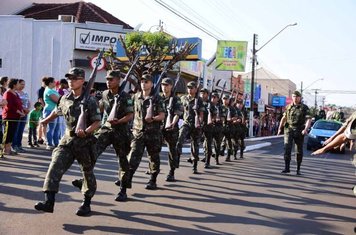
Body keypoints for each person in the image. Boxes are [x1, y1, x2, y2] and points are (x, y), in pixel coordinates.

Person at [34, 67, 101, 216]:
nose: (71, 81)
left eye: (74, 78)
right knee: (54, 166)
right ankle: (48, 202)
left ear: (82, 81)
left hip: (85, 143)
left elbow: (97, 122)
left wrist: (87, 131)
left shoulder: (90, 100)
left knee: (87, 173)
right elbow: (57, 111)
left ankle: (86, 203)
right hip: (67, 141)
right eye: (69, 78)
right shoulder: (65, 98)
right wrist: (44, 121)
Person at [71, 70, 134, 202]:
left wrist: (119, 121)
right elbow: (100, 109)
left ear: (118, 80)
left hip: (121, 131)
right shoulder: (104, 94)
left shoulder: (125, 96)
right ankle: (85, 179)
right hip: (106, 129)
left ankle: (123, 190)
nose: (108, 82)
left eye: (111, 79)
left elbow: (130, 115)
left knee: (123, 161)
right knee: (92, 152)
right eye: (107, 79)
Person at [126, 73, 165, 193]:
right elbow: (131, 113)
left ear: (152, 84)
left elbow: (162, 115)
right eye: (142, 81)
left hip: (153, 133)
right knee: (133, 156)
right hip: (138, 132)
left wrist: (153, 119)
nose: (143, 84)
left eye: (146, 82)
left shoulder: (157, 98)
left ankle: (153, 179)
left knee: (153, 157)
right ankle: (127, 179)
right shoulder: (136, 97)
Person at [277, 90, 311, 175]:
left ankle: (298, 169)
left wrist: (305, 129)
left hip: (299, 129)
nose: (295, 98)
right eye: (294, 97)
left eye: (297, 97)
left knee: (298, 150)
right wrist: (279, 128)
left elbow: (308, 119)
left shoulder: (304, 108)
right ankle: (286, 168)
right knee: (287, 148)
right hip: (289, 129)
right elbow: (284, 118)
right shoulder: (288, 107)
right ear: (292, 97)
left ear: (300, 98)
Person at [176, 81, 204, 174]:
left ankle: (195, 165)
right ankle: (177, 158)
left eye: (192, 88)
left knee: (195, 145)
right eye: (188, 87)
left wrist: (199, 122)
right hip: (186, 123)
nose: (190, 89)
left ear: (196, 89)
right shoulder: (183, 98)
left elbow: (201, 113)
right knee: (179, 139)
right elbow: (180, 111)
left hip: (196, 125)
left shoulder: (199, 100)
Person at [161, 77, 182, 181]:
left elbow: (177, 113)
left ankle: (171, 172)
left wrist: (173, 123)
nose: (164, 87)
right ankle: (153, 168)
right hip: (159, 127)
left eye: (167, 85)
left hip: (171, 128)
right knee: (153, 148)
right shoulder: (159, 98)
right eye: (163, 85)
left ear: (171, 86)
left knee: (172, 150)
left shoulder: (176, 99)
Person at [1, 79, 25, 156]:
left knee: (12, 133)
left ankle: (9, 148)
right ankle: (6, 149)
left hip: (16, 117)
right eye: (18, 84)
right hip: (9, 117)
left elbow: (19, 103)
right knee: (8, 133)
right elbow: (9, 106)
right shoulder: (8, 93)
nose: (19, 85)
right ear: (14, 85)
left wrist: (22, 111)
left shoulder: (16, 93)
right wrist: (19, 112)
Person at [12, 79, 31, 153]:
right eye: (21, 84)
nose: (23, 86)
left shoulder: (25, 93)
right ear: (17, 84)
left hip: (25, 114)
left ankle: (19, 145)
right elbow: (17, 104)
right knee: (16, 130)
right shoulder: (15, 93)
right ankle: (14, 145)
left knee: (21, 130)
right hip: (18, 113)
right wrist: (23, 109)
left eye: (24, 84)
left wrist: (28, 109)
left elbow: (28, 102)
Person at [43, 77, 60, 150]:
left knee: (57, 128)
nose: (55, 83)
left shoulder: (52, 90)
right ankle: (49, 144)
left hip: (56, 111)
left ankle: (56, 144)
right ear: (50, 83)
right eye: (54, 82)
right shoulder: (48, 91)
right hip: (50, 110)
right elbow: (57, 100)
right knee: (51, 128)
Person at [37, 77, 47, 145]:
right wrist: (44, 107)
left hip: (45, 109)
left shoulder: (46, 89)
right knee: (41, 124)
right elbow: (40, 100)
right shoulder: (41, 90)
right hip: (42, 109)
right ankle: (40, 138)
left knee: (43, 124)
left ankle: (41, 137)